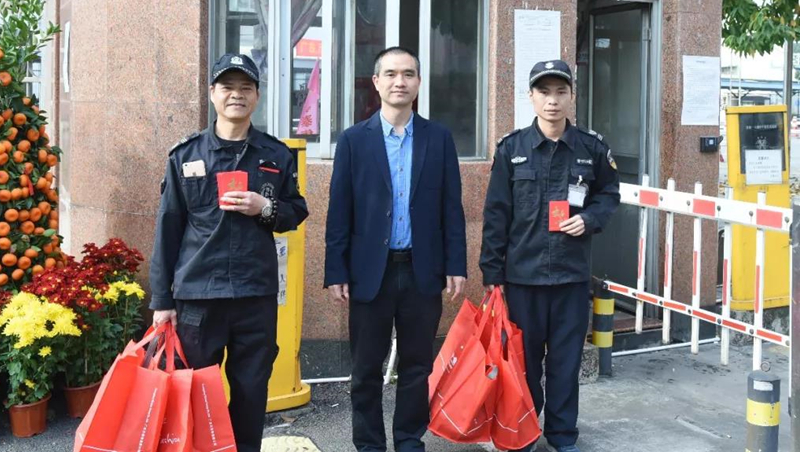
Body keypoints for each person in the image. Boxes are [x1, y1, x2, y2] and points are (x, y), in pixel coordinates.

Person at [149, 52, 308, 452]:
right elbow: (168, 229)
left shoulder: (276, 155)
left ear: (256, 96)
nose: (236, 94)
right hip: (199, 298)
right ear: (212, 94)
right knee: (196, 393)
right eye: (228, 87)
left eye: (245, 87)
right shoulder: (185, 156)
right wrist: (162, 301)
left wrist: (264, 207)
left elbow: (296, 211)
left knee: (251, 393)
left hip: (255, 296)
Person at [324, 47, 467, 452]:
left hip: (422, 270)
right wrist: (336, 270)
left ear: (419, 82)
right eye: (390, 74)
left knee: (417, 367)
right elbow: (340, 211)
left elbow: (451, 208)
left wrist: (456, 264)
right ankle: (369, 444)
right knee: (365, 369)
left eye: (407, 74)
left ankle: (408, 441)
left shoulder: (438, 138)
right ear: (376, 82)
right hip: (370, 271)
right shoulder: (354, 140)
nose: (399, 82)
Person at [479, 60, 620, 452]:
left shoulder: (592, 148)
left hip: (571, 279)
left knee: (564, 365)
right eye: (544, 92)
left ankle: (561, 435)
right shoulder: (512, 149)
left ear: (572, 95)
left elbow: (609, 194)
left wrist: (589, 218)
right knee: (522, 366)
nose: (552, 101)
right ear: (531, 96)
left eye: (560, 92)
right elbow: (496, 215)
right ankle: (523, 432)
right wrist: (492, 274)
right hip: (522, 279)